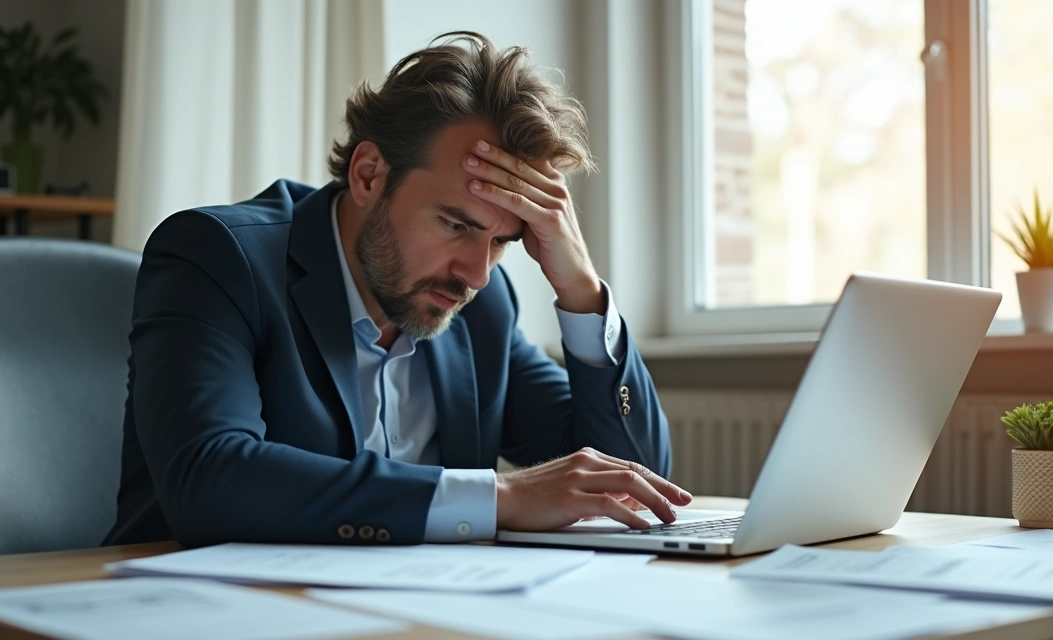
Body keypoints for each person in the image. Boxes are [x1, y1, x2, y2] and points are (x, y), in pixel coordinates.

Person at [104, 31, 691, 548]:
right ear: (368, 174)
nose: (475, 274)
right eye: (456, 224)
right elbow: (208, 478)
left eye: (501, 241)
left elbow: (632, 482)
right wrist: (499, 497)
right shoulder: (218, 256)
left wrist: (582, 291)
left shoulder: (483, 308)